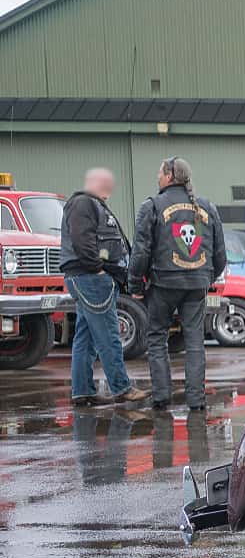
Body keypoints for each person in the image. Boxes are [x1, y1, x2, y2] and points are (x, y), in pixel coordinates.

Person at [130, 156, 226, 412]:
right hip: (196, 284)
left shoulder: (151, 206)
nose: (157, 177)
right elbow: (220, 255)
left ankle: (161, 398)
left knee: (157, 338)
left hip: (163, 283)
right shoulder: (208, 207)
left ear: (170, 176)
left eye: (160, 173)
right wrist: (206, 278)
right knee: (195, 343)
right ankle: (197, 400)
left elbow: (140, 251)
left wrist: (135, 286)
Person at [58, 168, 148, 407]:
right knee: (108, 335)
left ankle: (83, 392)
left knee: (85, 337)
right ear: (96, 183)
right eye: (106, 183)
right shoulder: (83, 204)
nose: (110, 187)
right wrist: (97, 268)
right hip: (91, 279)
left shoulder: (92, 205)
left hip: (89, 278)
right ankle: (122, 388)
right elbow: (82, 240)